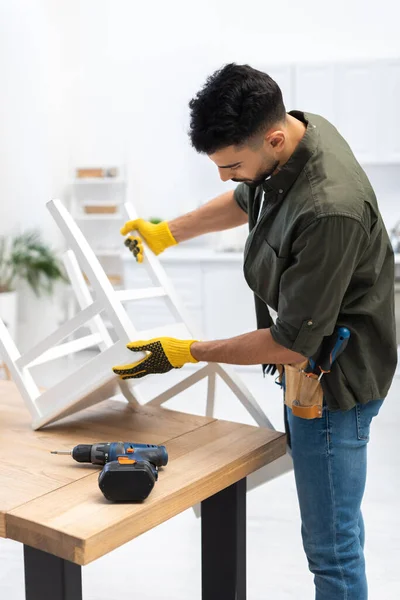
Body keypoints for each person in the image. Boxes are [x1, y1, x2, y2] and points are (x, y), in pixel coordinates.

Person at [112, 63, 397, 600]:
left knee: (332, 551)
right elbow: (249, 198)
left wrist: (186, 352)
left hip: (333, 386)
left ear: (272, 138)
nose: (225, 176)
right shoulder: (294, 140)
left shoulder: (327, 208)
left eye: (232, 164)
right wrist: (166, 233)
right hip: (312, 366)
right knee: (338, 531)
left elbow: (291, 342)